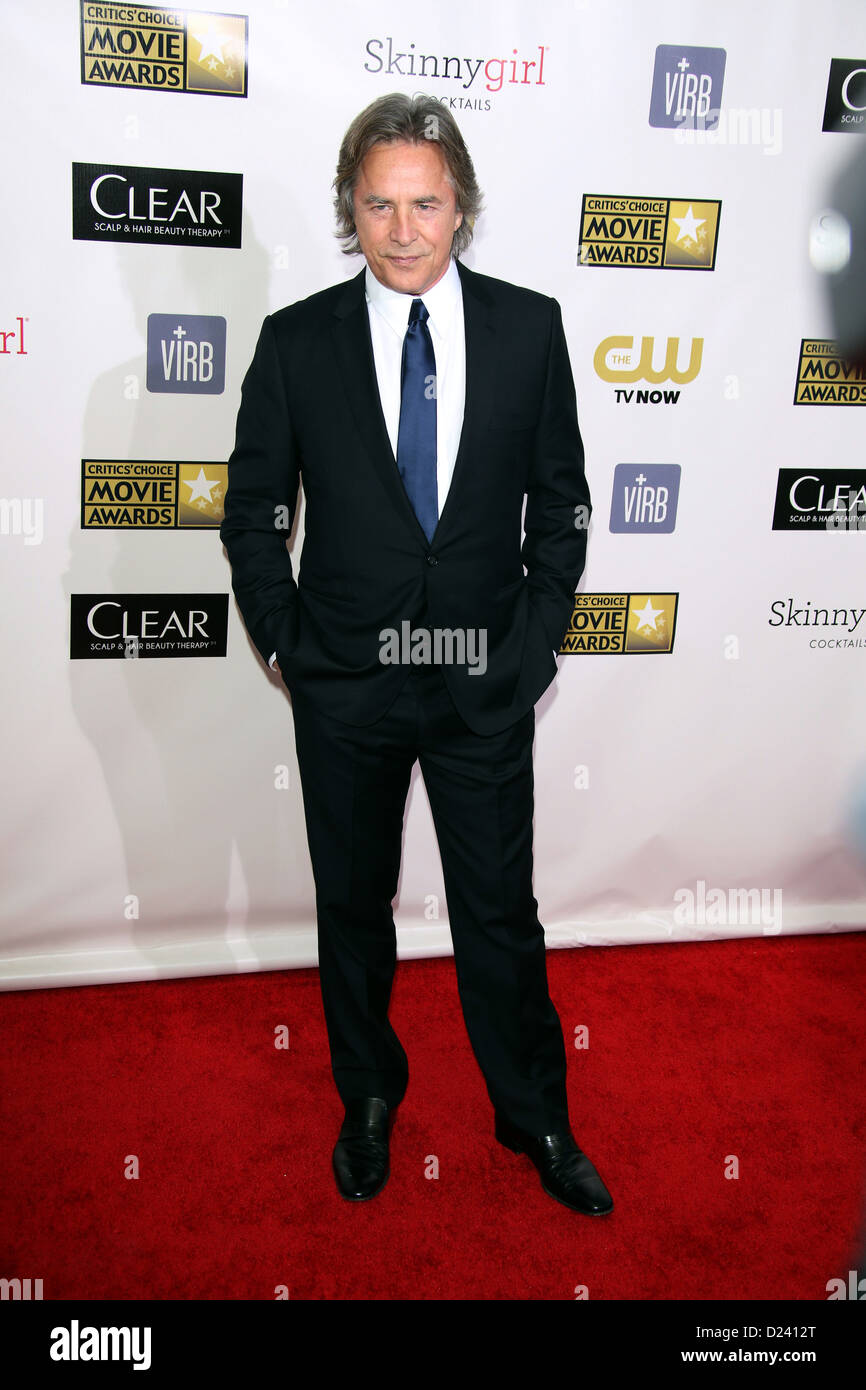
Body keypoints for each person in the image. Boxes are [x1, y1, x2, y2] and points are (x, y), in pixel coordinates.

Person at [220, 93, 612, 1216]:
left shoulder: (528, 328)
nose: (401, 229)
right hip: (345, 685)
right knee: (350, 904)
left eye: (425, 203)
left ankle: (533, 1113)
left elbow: (563, 506)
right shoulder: (297, 342)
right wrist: (288, 643)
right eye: (378, 204)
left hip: (483, 682)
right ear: (353, 208)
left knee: (499, 911)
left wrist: (532, 651)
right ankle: (369, 1097)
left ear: (462, 207)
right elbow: (252, 512)